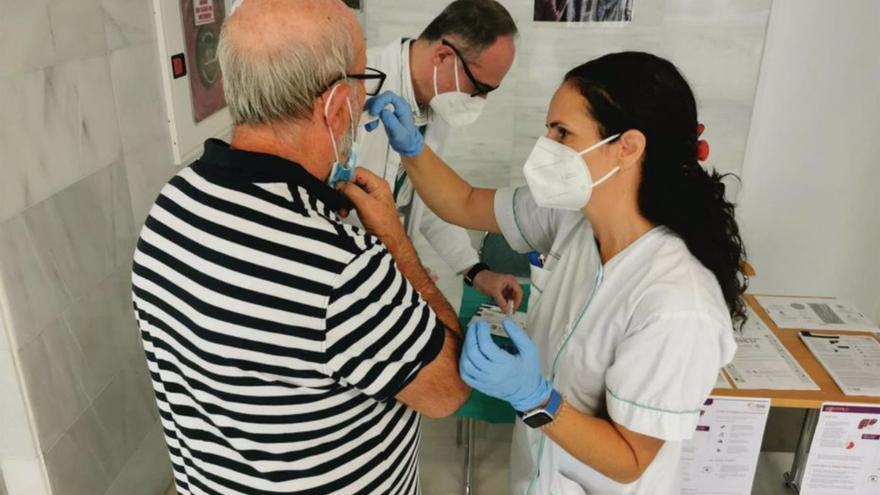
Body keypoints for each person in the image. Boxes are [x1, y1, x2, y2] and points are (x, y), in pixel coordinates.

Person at [363, 51, 746, 494]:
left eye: (562, 132)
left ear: (628, 147)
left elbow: (630, 460)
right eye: (548, 129)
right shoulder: (574, 219)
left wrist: (536, 399)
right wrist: (411, 147)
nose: (546, 146)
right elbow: (464, 202)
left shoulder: (678, 304)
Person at [131, 1, 469, 493]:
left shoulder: (171, 207)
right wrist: (394, 244)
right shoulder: (342, 267)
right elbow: (449, 389)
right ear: (335, 106)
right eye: (362, 84)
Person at [353, 0, 524, 312]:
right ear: (444, 56)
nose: (480, 101)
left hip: (385, 279)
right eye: (479, 88)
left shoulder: (437, 103)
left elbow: (429, 198)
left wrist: (475, 271)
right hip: (345, 277)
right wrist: (383, 267)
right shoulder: (358, 82)